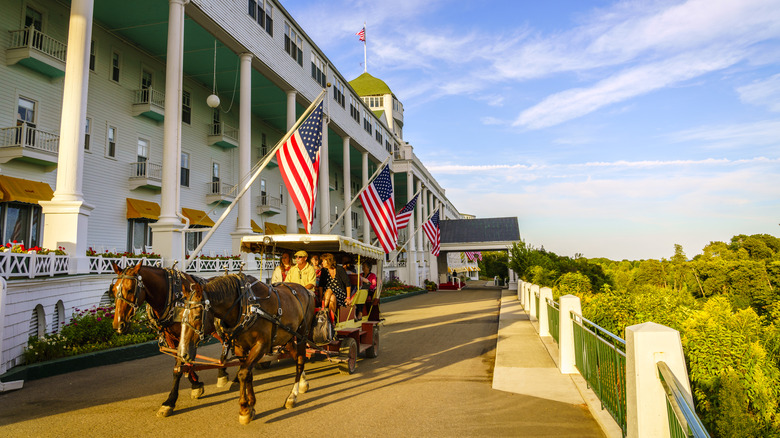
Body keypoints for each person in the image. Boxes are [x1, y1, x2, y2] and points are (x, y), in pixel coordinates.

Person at [320, 253, 350, 322]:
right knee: (332, 297)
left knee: (330, 289)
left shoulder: (339, 269)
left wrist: (348, 298)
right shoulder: (324, 270)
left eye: (323, 261)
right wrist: (321, 296)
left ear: (328, 261)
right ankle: (331, 320)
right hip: (328, 295)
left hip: (340, 293)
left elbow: (347, 283)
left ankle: (322, 309)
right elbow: (321, 285)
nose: (322, 263)